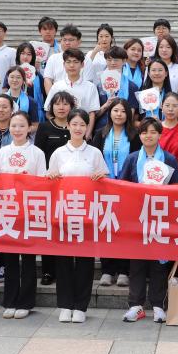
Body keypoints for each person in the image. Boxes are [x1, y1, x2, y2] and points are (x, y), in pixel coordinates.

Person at [46, 109, 109, 323]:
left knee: (85, 261)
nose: (78, 128)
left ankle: (81, 306)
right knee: (63, 260)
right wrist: (51, 176)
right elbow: (49, 180)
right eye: (74, 124)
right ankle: (65, 305)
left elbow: (105, 178)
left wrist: (101, 176)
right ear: (68, 126)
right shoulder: (58, 153)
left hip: (87, 213)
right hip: (64, 212)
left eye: (82, 124)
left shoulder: (94, 152)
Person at [118, 118, 178, 323]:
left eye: (153, 132)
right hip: (137, 218)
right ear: (140, 135)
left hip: (161, 217)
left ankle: (158, 305)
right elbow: (122, 185)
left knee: (159, 263)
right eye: (144, 132)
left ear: (160, 135)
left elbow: (177, 188)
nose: (148, 136)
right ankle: (135, 305)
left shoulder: (169, 159)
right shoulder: (132, 159)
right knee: (136, 262)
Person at [0, 111, 47, 319]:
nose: (17, 130)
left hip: (28, 209)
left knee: (28, 258)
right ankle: (10, 300)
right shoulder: (2, 152)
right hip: (8, 209)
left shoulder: (37, 153)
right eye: (14, 126)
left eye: (21, 126)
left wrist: (27, 181)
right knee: (10, 258)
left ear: (29, 128)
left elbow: (43, 183)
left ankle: (26, 301)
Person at [91, 97, 141, 287]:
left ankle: (124, 270)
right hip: (105, 188)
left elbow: (138, 162)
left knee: (125, 230)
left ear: (128, 114)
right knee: (106, 228)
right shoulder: (100, 134)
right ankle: (107, 269)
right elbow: (94, 160)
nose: (119, 114)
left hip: (127, 189)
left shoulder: (135, 135)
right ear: (110, 113)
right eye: (115, 110)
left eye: (122, 111)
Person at [33, 91, 75, 286]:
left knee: (68, 227)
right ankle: (48, 271)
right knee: (50, 228)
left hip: (72, 188)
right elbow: (39, 155)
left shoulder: (76, 126)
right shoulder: (44, 127)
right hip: (50, 185)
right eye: (57, 104)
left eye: (65, 104)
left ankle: (67, 269)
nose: (61, 107)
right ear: (51, 107)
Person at [44, 48, 101, 128]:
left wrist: (88, 133)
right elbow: (48, 112)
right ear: (64, 64)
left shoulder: (90, 87)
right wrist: (58, 128)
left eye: (75, 62)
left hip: (81, 131)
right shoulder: (57, 86)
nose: (71, 65)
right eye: (68, 62)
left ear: (82, 65)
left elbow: (92, 114)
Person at [44, 24, 97, 89]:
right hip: (57, 94)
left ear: (79, 42)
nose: (67, 43)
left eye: (71, 40)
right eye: (64, 40)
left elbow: (87, 84)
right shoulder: (53, 58)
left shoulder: (86, 60)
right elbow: (47, 80)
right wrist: (53, 95)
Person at [15, 43, 47, 123]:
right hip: (16, 111)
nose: (25, 57)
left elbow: (44, 95)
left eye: (29, 54)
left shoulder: (37, 75)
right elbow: (6, 90)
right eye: (22, 53)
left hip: (34, 113)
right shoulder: (12, 72)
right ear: (18, 55)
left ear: (33, 57)